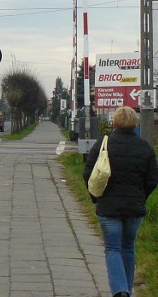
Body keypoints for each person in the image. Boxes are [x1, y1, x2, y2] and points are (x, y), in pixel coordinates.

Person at [83, 106, 158, 297]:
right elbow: (152, 179)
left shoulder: (103, 144)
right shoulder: (145, 147)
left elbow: (88, 173)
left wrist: (96, 197)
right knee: (128, 247)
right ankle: (127, 290)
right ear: (135, 123)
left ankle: (120, 290)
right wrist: (141, 197)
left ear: (114, 122)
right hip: (134, 209)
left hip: (109, 207)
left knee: (113, 248)